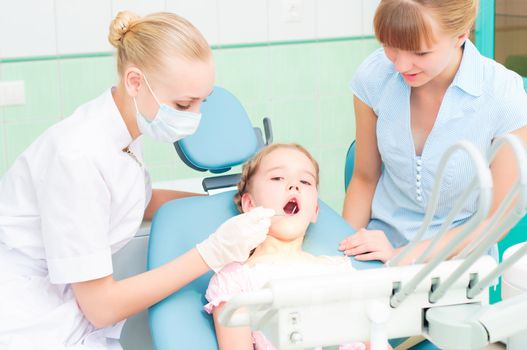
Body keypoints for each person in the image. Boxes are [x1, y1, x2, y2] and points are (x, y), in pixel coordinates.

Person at [0, 11, 273, 349]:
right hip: (30, 322)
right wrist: (212, 252)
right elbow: (102, 307)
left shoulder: (123, 131)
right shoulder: (78, 156)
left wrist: (229, 205)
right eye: (184, 104)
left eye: (202, 102)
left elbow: (135, 200)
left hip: (67, 311)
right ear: (134, 81)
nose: (195, 118)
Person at [341, 0, 527, 265]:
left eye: (420, 52)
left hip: (456, 266)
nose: (401, 65)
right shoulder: (374, 76)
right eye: (390, 47)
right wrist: (343, 260)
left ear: (460, 36)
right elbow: (363, 178)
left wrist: (400, 257)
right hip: (375, 249)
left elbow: (497, 219)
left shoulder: (502, 96)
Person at [204, 143, 370, 350]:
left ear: (315, 211)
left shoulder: (339, 270)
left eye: (305, 181)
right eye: (277, 178)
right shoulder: (235, 281)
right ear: (250, 204)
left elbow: (377, 342)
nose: (294, 186)